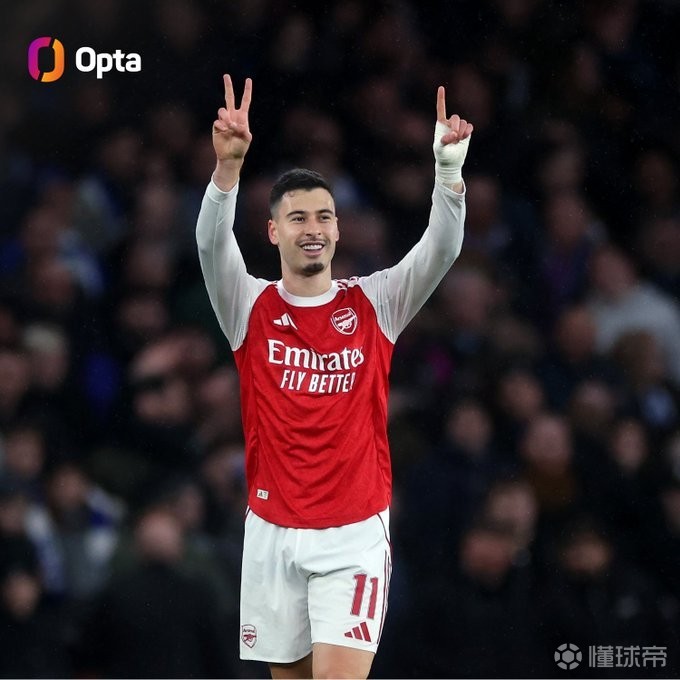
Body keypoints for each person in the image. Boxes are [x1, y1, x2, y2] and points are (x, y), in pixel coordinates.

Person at [196, 74, 473, 679]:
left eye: (324, 216)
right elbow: (211, 248)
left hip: (353, 534)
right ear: (274, 231)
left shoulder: (377, 303)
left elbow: (442, 249)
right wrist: (227, 170)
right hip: (271, 532)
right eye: (297, 218)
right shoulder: (249, 307)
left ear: (339, 229)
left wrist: (447, 173)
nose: (313, 228)